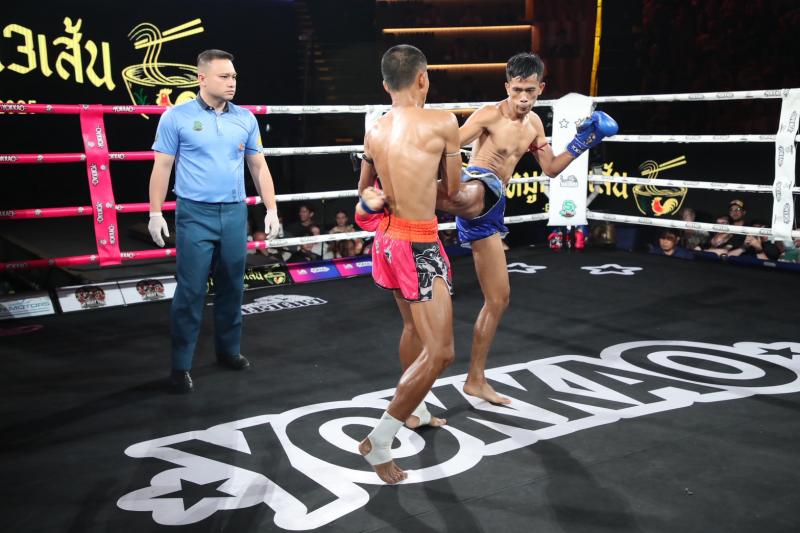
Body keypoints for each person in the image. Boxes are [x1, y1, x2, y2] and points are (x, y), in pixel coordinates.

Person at [435, 52, 618, 404]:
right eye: (517, 90)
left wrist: (583, 142)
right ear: (507, 86)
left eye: (529, 91)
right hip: (476, 185)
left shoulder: (534, 124)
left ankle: (475, 379)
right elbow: (449, 146)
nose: (522, 98)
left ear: (540, 89)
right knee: (471, 191)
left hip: (492, 210)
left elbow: (551, 168)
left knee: (498, 299)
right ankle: (402, 187)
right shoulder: (488, 114)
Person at [353, 44, 462, 484]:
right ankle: (379, 440)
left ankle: (416, 409)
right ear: (423, 78)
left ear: (385, 85)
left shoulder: (375, 129)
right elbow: (454, 192)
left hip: (387, 241)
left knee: (414, 330)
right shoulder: (443, 122)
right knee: (442, 351)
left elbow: (364, 193)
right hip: (418, 244)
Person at [147, 49, 280, 393]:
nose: (232, 82)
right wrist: (155, 212)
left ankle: (229, 351)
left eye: (234, 76)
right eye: (224, 76)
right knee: (190, 291)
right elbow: (162, 166)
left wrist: (272, 209)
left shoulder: (245, 118)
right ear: (202, 78)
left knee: (233, 286)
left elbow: (258, 166)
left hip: (234, 213)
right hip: (194, 214)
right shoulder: (176, 117)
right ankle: (180, 366)